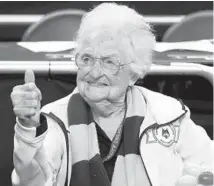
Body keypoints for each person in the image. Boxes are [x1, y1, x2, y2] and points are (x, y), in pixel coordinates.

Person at [11, 3, 213, 186]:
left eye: (109, 62)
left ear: (134, 73)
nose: (94, 72)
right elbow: (32, 182)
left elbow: (208, 164)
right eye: (87, 59)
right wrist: (28, 130)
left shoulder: (167, 114)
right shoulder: (54, 119)